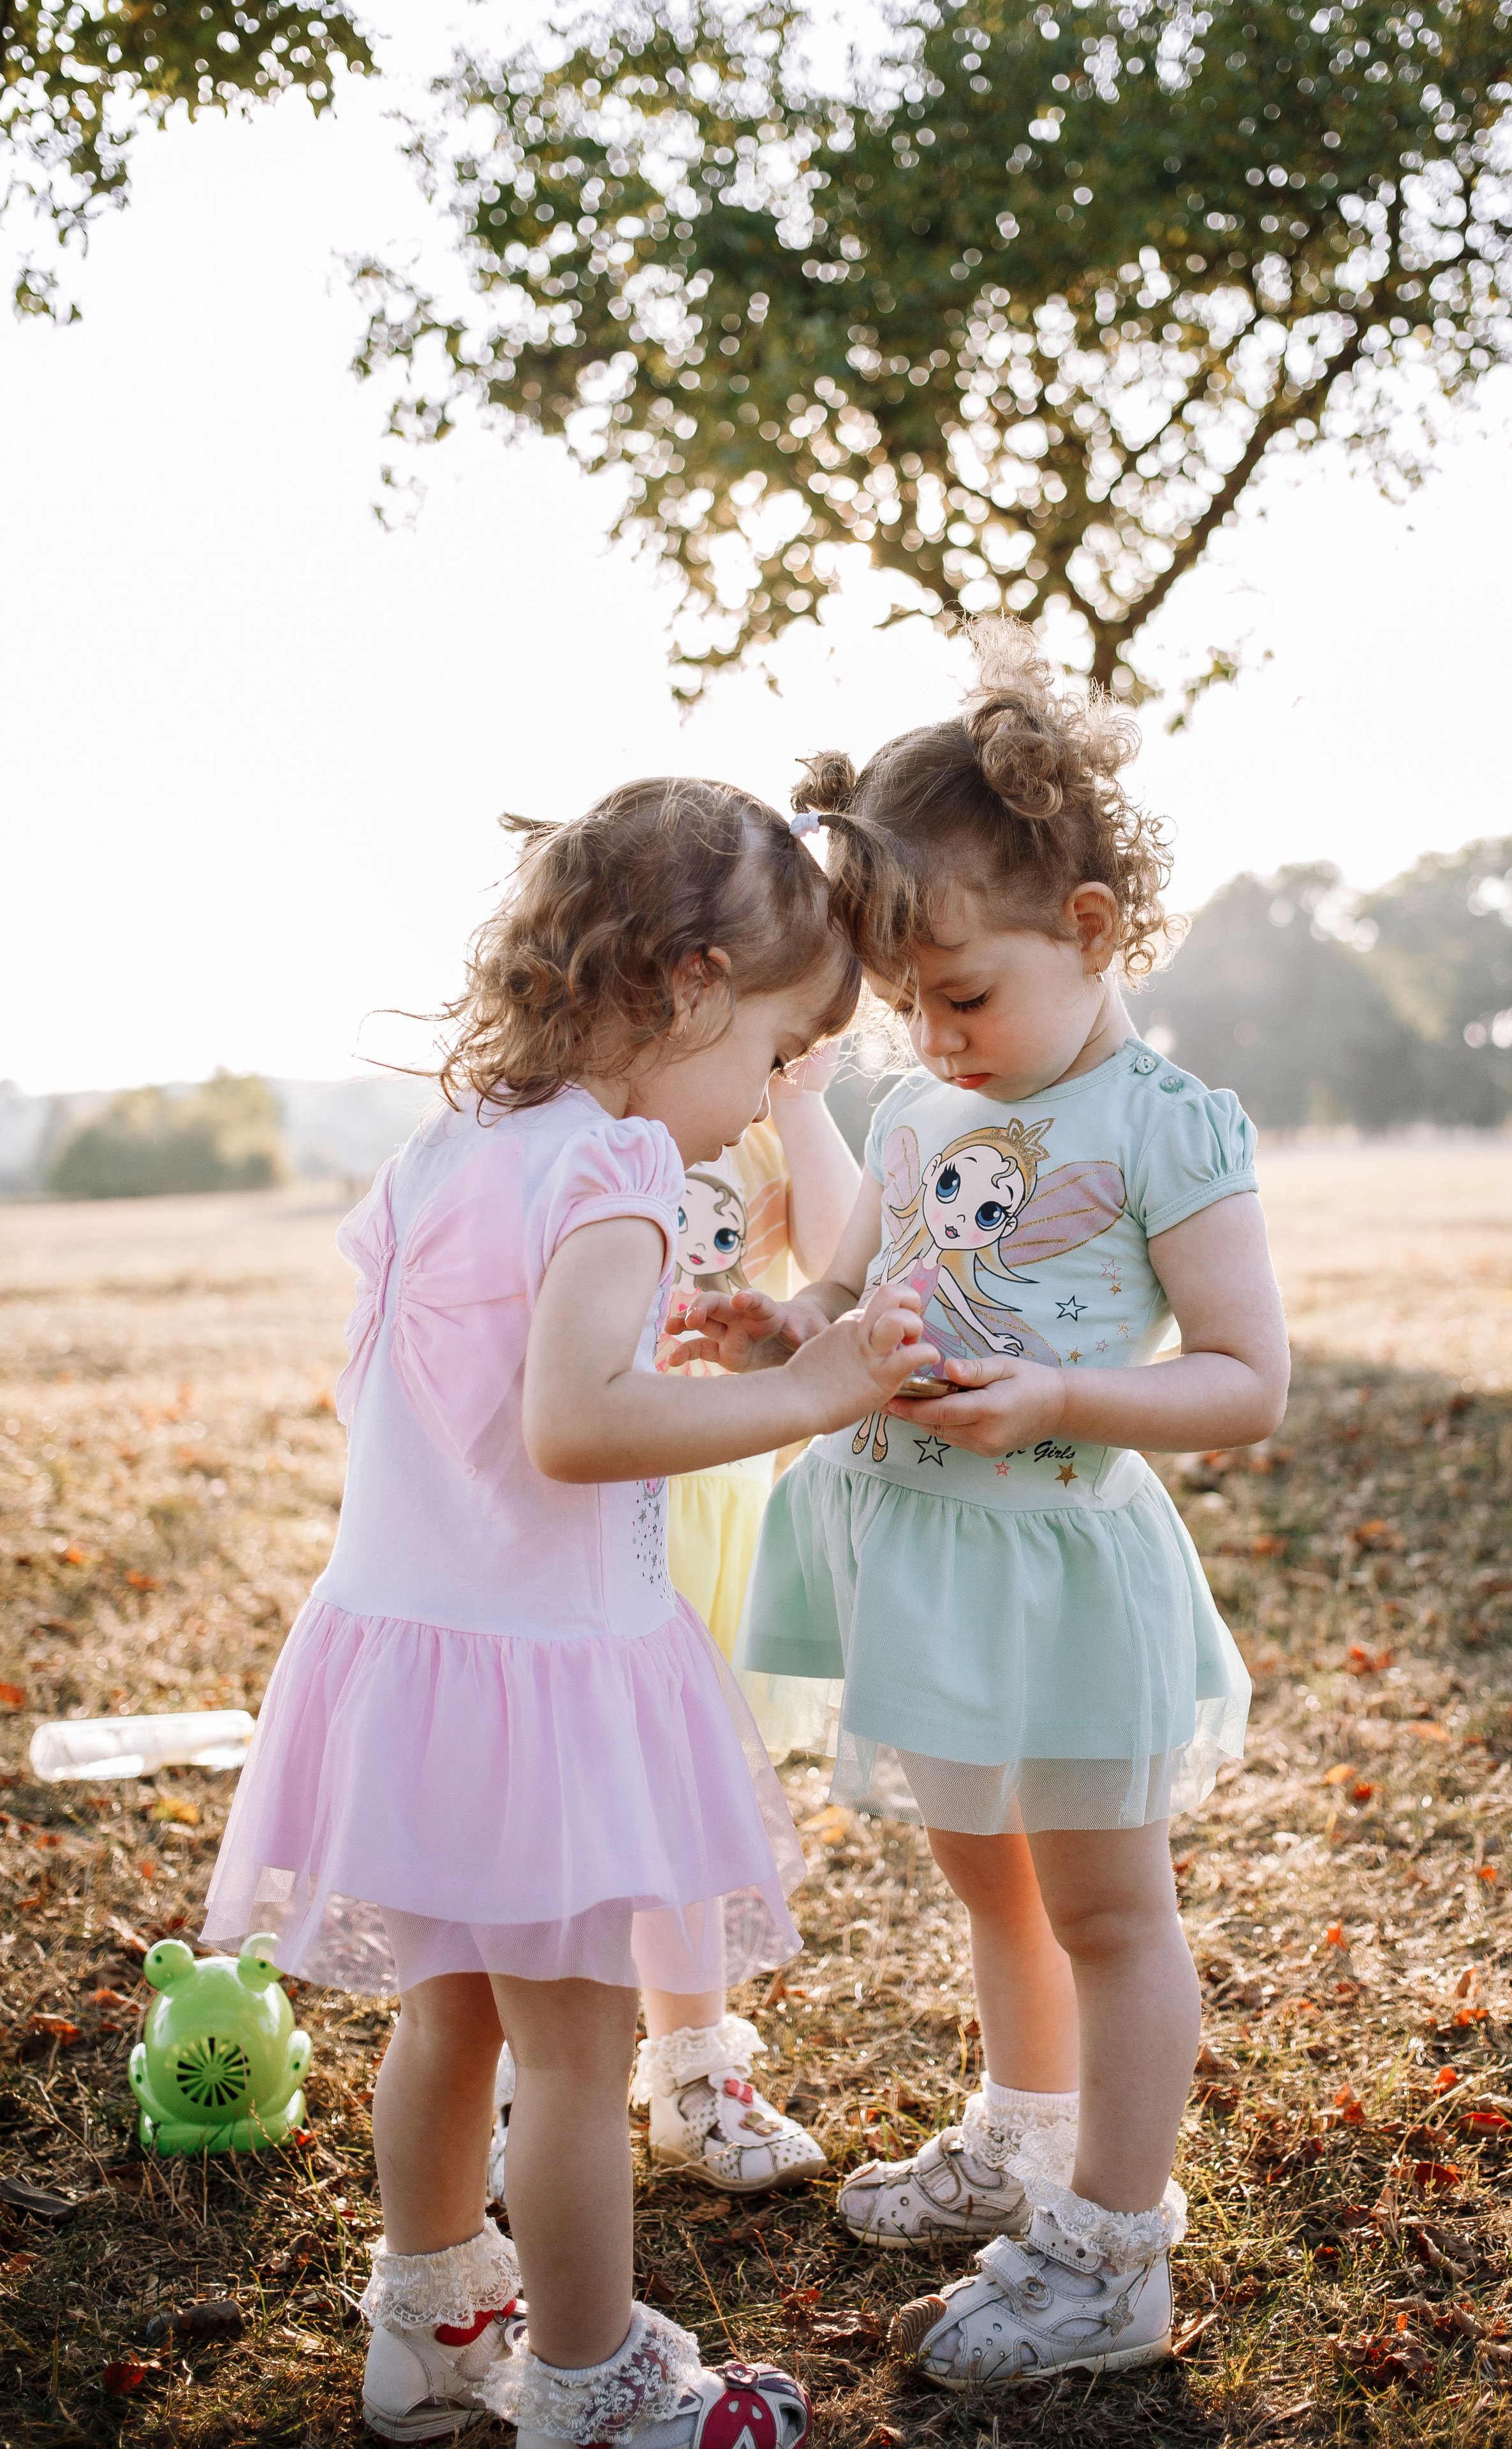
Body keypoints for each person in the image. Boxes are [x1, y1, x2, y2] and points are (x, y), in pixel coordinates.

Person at [200, 778, 928, 2448]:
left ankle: (436, 2319)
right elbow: (575, 1426)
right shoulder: (613, 1165)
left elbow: (449, 1396)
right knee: (583, 2065)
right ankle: (594, 2389)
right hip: (548, 1684)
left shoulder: (451, 1143)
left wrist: (667, 1349)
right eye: (768, 1057)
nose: (760, 1101)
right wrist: (811, 1386)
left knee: (448, 2020)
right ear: (687, 986)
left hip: (419, 1661)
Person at [677, 622, 1290, 2392]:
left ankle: (1110, 2251)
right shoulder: (933, 1102)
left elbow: (1246, 1381)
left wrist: (1065, 1395)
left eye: (964, 994)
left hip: (1056, 1574)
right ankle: (1023, 2134)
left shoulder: (1168, 1125)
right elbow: (864, 1285)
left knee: (1108, 1908)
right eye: (909, 1005)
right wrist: (783, 1323)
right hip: (919, 1553)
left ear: (1089, 930)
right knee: (987, 1878)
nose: (935, 1036)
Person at [489, 1061, 858, 2205]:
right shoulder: (571, 1140)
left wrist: (799, 1105)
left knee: (688, 1799)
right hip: (581, 1513)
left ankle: (695, 2070)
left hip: (710, 1498)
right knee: (561, 1805)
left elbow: (854, 1257)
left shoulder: (754, 1134)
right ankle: (525, 2087)